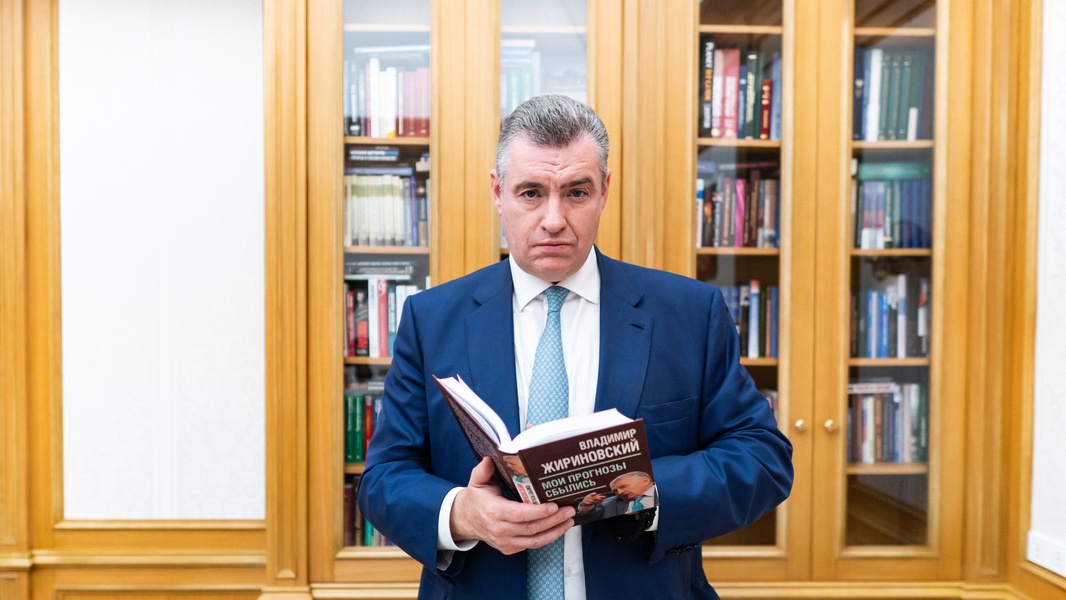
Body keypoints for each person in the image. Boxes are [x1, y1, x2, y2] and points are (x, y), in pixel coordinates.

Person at [357, 94, 793, 600]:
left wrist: (648, 490)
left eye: (576, 192)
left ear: (604, 191)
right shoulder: (431, 319)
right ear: (498, 192)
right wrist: (461, 513)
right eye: (531, 193)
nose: (554, 219)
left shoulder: (690, 314)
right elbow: (383, 478)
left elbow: (762, 458)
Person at [574, 472, 656, 525]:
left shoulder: (659, 490)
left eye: (623, 487)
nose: (619, 492)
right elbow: (589, 519)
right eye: (615, 491)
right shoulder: (608, 504)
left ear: (645, 481)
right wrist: (586, 506)